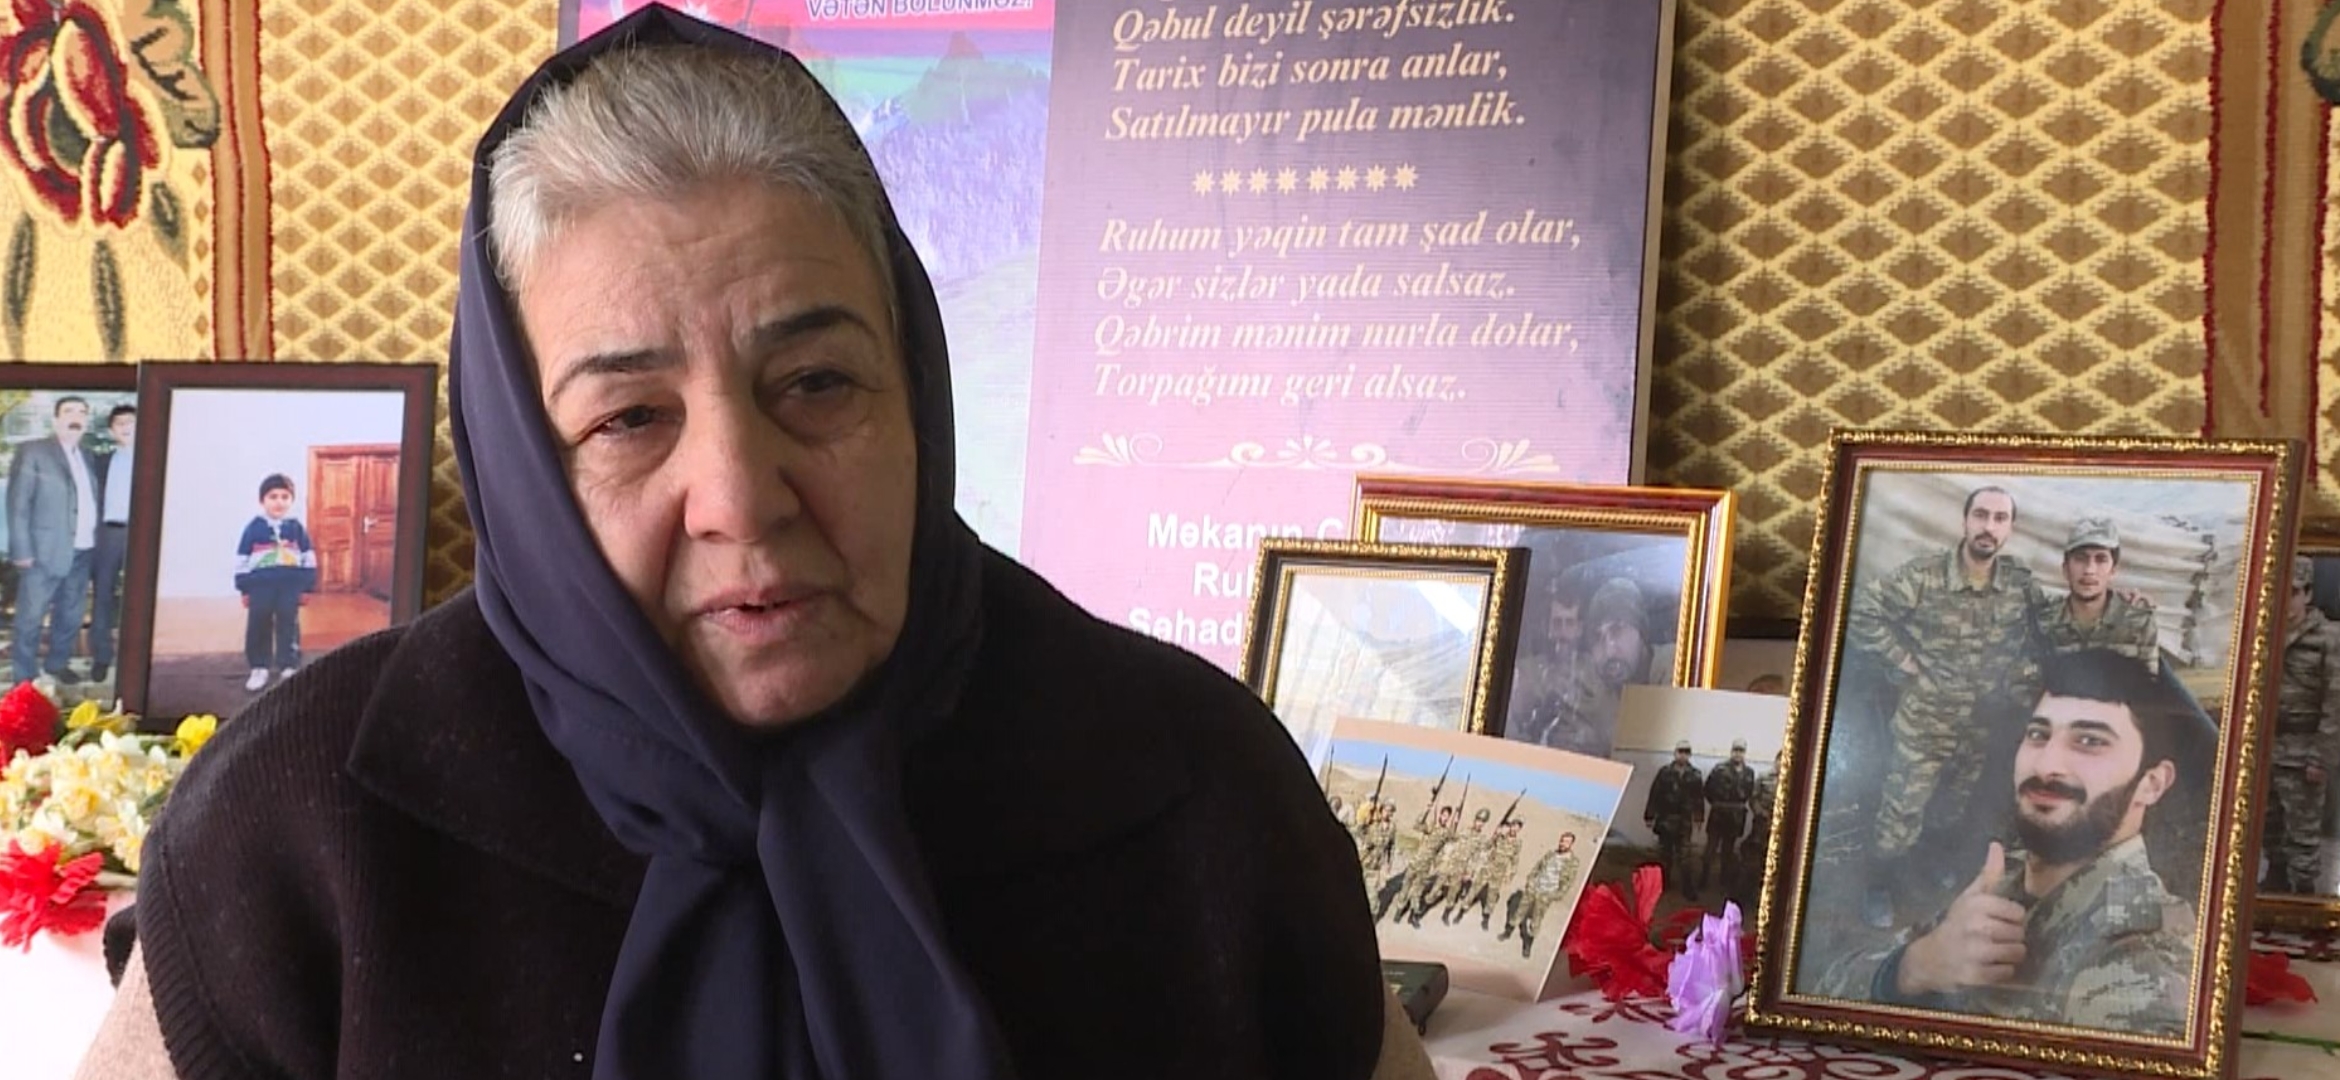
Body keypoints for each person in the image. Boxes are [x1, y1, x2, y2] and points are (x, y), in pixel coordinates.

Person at [102, 10, 1411, 1080]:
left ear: (916, 392)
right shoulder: (305, 833)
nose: (740, 496)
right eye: (629, 418)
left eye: (818, 385)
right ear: (523, 461)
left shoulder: (1193, 788)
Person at [1835, 648, 2202, 1036]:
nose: (2046, 765)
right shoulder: (2002, 877)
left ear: (2152, 784)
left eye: (2089, 741)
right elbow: (1828, 991)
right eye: (2038, 734)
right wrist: (1915, 967)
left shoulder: (2143, 958)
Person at [1847, 485, 2044, 927]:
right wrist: (1903, 660)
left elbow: (2054, 623)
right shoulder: (1926, 575)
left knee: (1952, 805)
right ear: (1965, 521)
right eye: (1981, 515)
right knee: (1903, 809)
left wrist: (2123, 606)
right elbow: (1862, 610)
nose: (1989, 527)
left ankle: (1926, 866)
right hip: (1925, 723)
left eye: (1999, 518)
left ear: (2010, 529)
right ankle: (1879, 885)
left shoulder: (2019, 585)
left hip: (1979, 725)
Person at [7, 395, 97, 684]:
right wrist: (21, 550)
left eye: (82, 412)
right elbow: (18, 504)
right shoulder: (33, 451)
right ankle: (24, 676)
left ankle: (57, 664)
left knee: (70, 615)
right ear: (56, 419)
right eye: (69, 411)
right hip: (43, 552)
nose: (76, 417)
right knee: (30, 617)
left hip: (83, 549)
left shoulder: (87, 455)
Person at [2264, 557, 2340, 894]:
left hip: (2303, 749)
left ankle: (2304, 899)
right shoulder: (2264, 632)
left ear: (2307, 594)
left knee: (2303, 834)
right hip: (2265, 747)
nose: (2286, 601)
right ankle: (2275, 888)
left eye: (2293, 593)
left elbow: (2335, 702)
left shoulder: (2328, 638)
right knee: (2268, 827)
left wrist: (2321, 757)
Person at [1520, 577, 1647, 754]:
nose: (1563, 633)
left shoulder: (1598, 673)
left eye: (1569, 623)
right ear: (1548, 628)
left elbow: (1613, 728)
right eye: (1557, 623)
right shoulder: (1526, 672)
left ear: (1580, 629)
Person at [2032, 518, 2157, 670]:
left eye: (2101, 559)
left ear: (2113, 570)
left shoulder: (2137, 619)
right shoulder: (2043, 622)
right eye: (2080, 559)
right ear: (2065, 569)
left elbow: (2150, 679)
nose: (2089, 570)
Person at [232, 473, 317, 691]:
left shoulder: (296, 528)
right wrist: (244, 588)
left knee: (288, 622)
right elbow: (242, 559)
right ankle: (259, 666)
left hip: (290, 586)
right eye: (273, 497)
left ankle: (288, 665)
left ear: (291, 500)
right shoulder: (253, 528)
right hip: (260, 587)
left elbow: (308, 557)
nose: (279, 502)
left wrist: (307, 587)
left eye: (284, 497)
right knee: (258, 623)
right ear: (262, 500)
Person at [88, 404, 134, 683]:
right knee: (103, 593)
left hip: (143, 531)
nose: (126, 427)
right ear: (111, 430)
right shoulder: (101, 462)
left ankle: (136, 657)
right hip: (109, 533)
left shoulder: (155, 458)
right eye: (120, 423)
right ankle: (101, 657)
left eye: (131, 421)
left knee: (140, 595)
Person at [1499, 831, 1580, 958]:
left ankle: (1528, 944)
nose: (1562, 844)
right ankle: (1507, 932)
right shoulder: (1551, 854)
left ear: (1571, 844)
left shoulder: (1572, 862)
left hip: (1546, 894)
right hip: (1534, 888)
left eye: (1566, 842)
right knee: (1520, 911)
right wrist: (1530, 880)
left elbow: (1568, 882)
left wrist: (1556, 895)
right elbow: (1538, 866)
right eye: (1562, 840)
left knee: (1536, 918)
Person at [1645, 738, 1705, 899]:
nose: (1683, 755)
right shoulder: (1664, 772)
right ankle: (1663, 883)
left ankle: (1687, 887)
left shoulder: (1695, 775)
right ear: (1675, 753)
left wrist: (1699, 817)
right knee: (1665, 854)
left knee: (1685, 856)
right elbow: (1655, 794)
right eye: (1680, 752)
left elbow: (1699, 798)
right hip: (1665, 819)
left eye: (1686, 752)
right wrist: (1649, 815)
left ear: (1690, 755)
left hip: (1684, 822)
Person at [1699, 737, 1757, 896]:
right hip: (1719, 814)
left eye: (1741, 751)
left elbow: (1749, 793)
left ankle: (1723, 879)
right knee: (1710, 848)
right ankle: (1703, 877)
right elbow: (1707, 789)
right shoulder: (1719, 769)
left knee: (1728, 850)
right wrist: (1717, 803)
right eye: (1736, 750)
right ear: (1731, 752)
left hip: (1736, 817)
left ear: (1745, 753)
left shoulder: (1749, 772)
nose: (1738, 754)